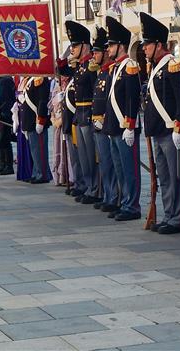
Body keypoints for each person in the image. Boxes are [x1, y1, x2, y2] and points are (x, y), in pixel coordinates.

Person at [141, 12, 180, 234]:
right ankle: (169, 214)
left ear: (159, 45)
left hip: (171, 131)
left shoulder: (172, 65)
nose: (144, 49)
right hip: (158, 131)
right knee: (165, 177)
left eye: (147, 44)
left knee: (175, 176)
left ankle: (177, 218)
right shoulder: (156, 69)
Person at [102, 11, 142, 221]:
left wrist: (130, 125)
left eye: (111, 45)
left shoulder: (130, 67)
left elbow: (132, 99)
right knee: (119, 169)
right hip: (113, 127)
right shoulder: (116, 68)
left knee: (129, 169)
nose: (108, 49)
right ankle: (124, 201)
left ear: (121, 46)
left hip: (124, 127)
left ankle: (132, 205)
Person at [58, 18, 99, 203]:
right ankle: (87, 186)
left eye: (74, 45)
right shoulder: (81, 66)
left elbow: (97, 94)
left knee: (91, 157)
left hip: (88, 114)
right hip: (78, 116)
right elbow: (65, 72)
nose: (72, 49)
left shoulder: (91, 66)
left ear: (84, 45)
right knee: (83, 156)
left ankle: (94, 189)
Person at [90, 26, 118, 212]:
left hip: (106, 124)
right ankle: (108, 195)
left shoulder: (110, 72)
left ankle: (114, 197)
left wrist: (105, 120)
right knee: (105, 164)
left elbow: (111, 99)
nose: (95, 54)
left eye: (98, 51)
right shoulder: (102, 72)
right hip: (97, 123)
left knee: (111, 163)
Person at [21, 75, 52, 183]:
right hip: (29, 120)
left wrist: (41, 120)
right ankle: (36, 172)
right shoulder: (30, 79)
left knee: (40, 150)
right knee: (34, 150)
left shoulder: (40, 79)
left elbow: (42, 101)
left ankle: (42, 174)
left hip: (36, 120)